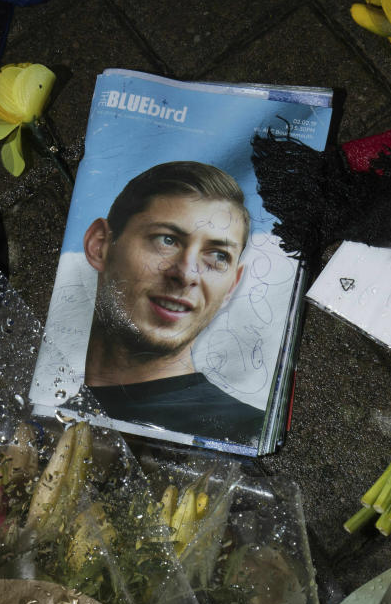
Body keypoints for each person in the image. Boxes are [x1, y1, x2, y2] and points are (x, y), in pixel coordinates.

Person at [81, 160, 265, 444]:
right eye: (167, 240)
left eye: (218, 256)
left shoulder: (246, 432)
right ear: (100, 245)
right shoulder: (41, 393)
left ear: (233, 285)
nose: (186, 274)